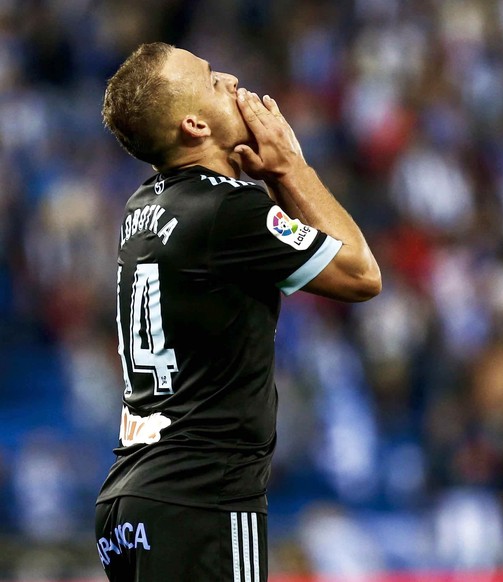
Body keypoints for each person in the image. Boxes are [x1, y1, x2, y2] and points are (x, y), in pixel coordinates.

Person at [94, 42, 381, 581]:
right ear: (195, 126)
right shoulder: (227, 210)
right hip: (205, 499)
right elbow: (362, 274)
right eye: (211, 80)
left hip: (130, 503)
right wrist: (289, 166)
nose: (230, 80)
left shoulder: (143, 208)